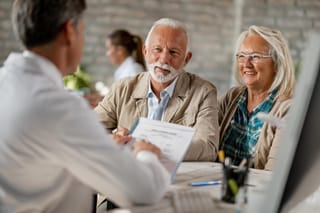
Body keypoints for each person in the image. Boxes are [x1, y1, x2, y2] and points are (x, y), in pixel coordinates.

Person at [0, 1, 170, 213]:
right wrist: (146, 153)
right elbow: (146, 190)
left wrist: (102, 144)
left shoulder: (6, 81)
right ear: (70, 31)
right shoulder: (60, 108)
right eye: (83, 31)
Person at [95, 18, 219, 161]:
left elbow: (208, 148)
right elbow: (88, 129)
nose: (164, 59)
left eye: (173, 52)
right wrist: (111, 139)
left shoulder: (204, 92)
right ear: (145, 51)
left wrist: (148, 145)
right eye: (157, 49)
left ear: (186, 59)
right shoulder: (122, 88)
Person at [218, 25, 295, 170]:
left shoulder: (288, 110)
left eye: (255, 57)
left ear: (277, 63)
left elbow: (272, 173)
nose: (246, 64)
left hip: (255, 190)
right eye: (242, 56)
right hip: (215, 184)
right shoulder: (231, 97)